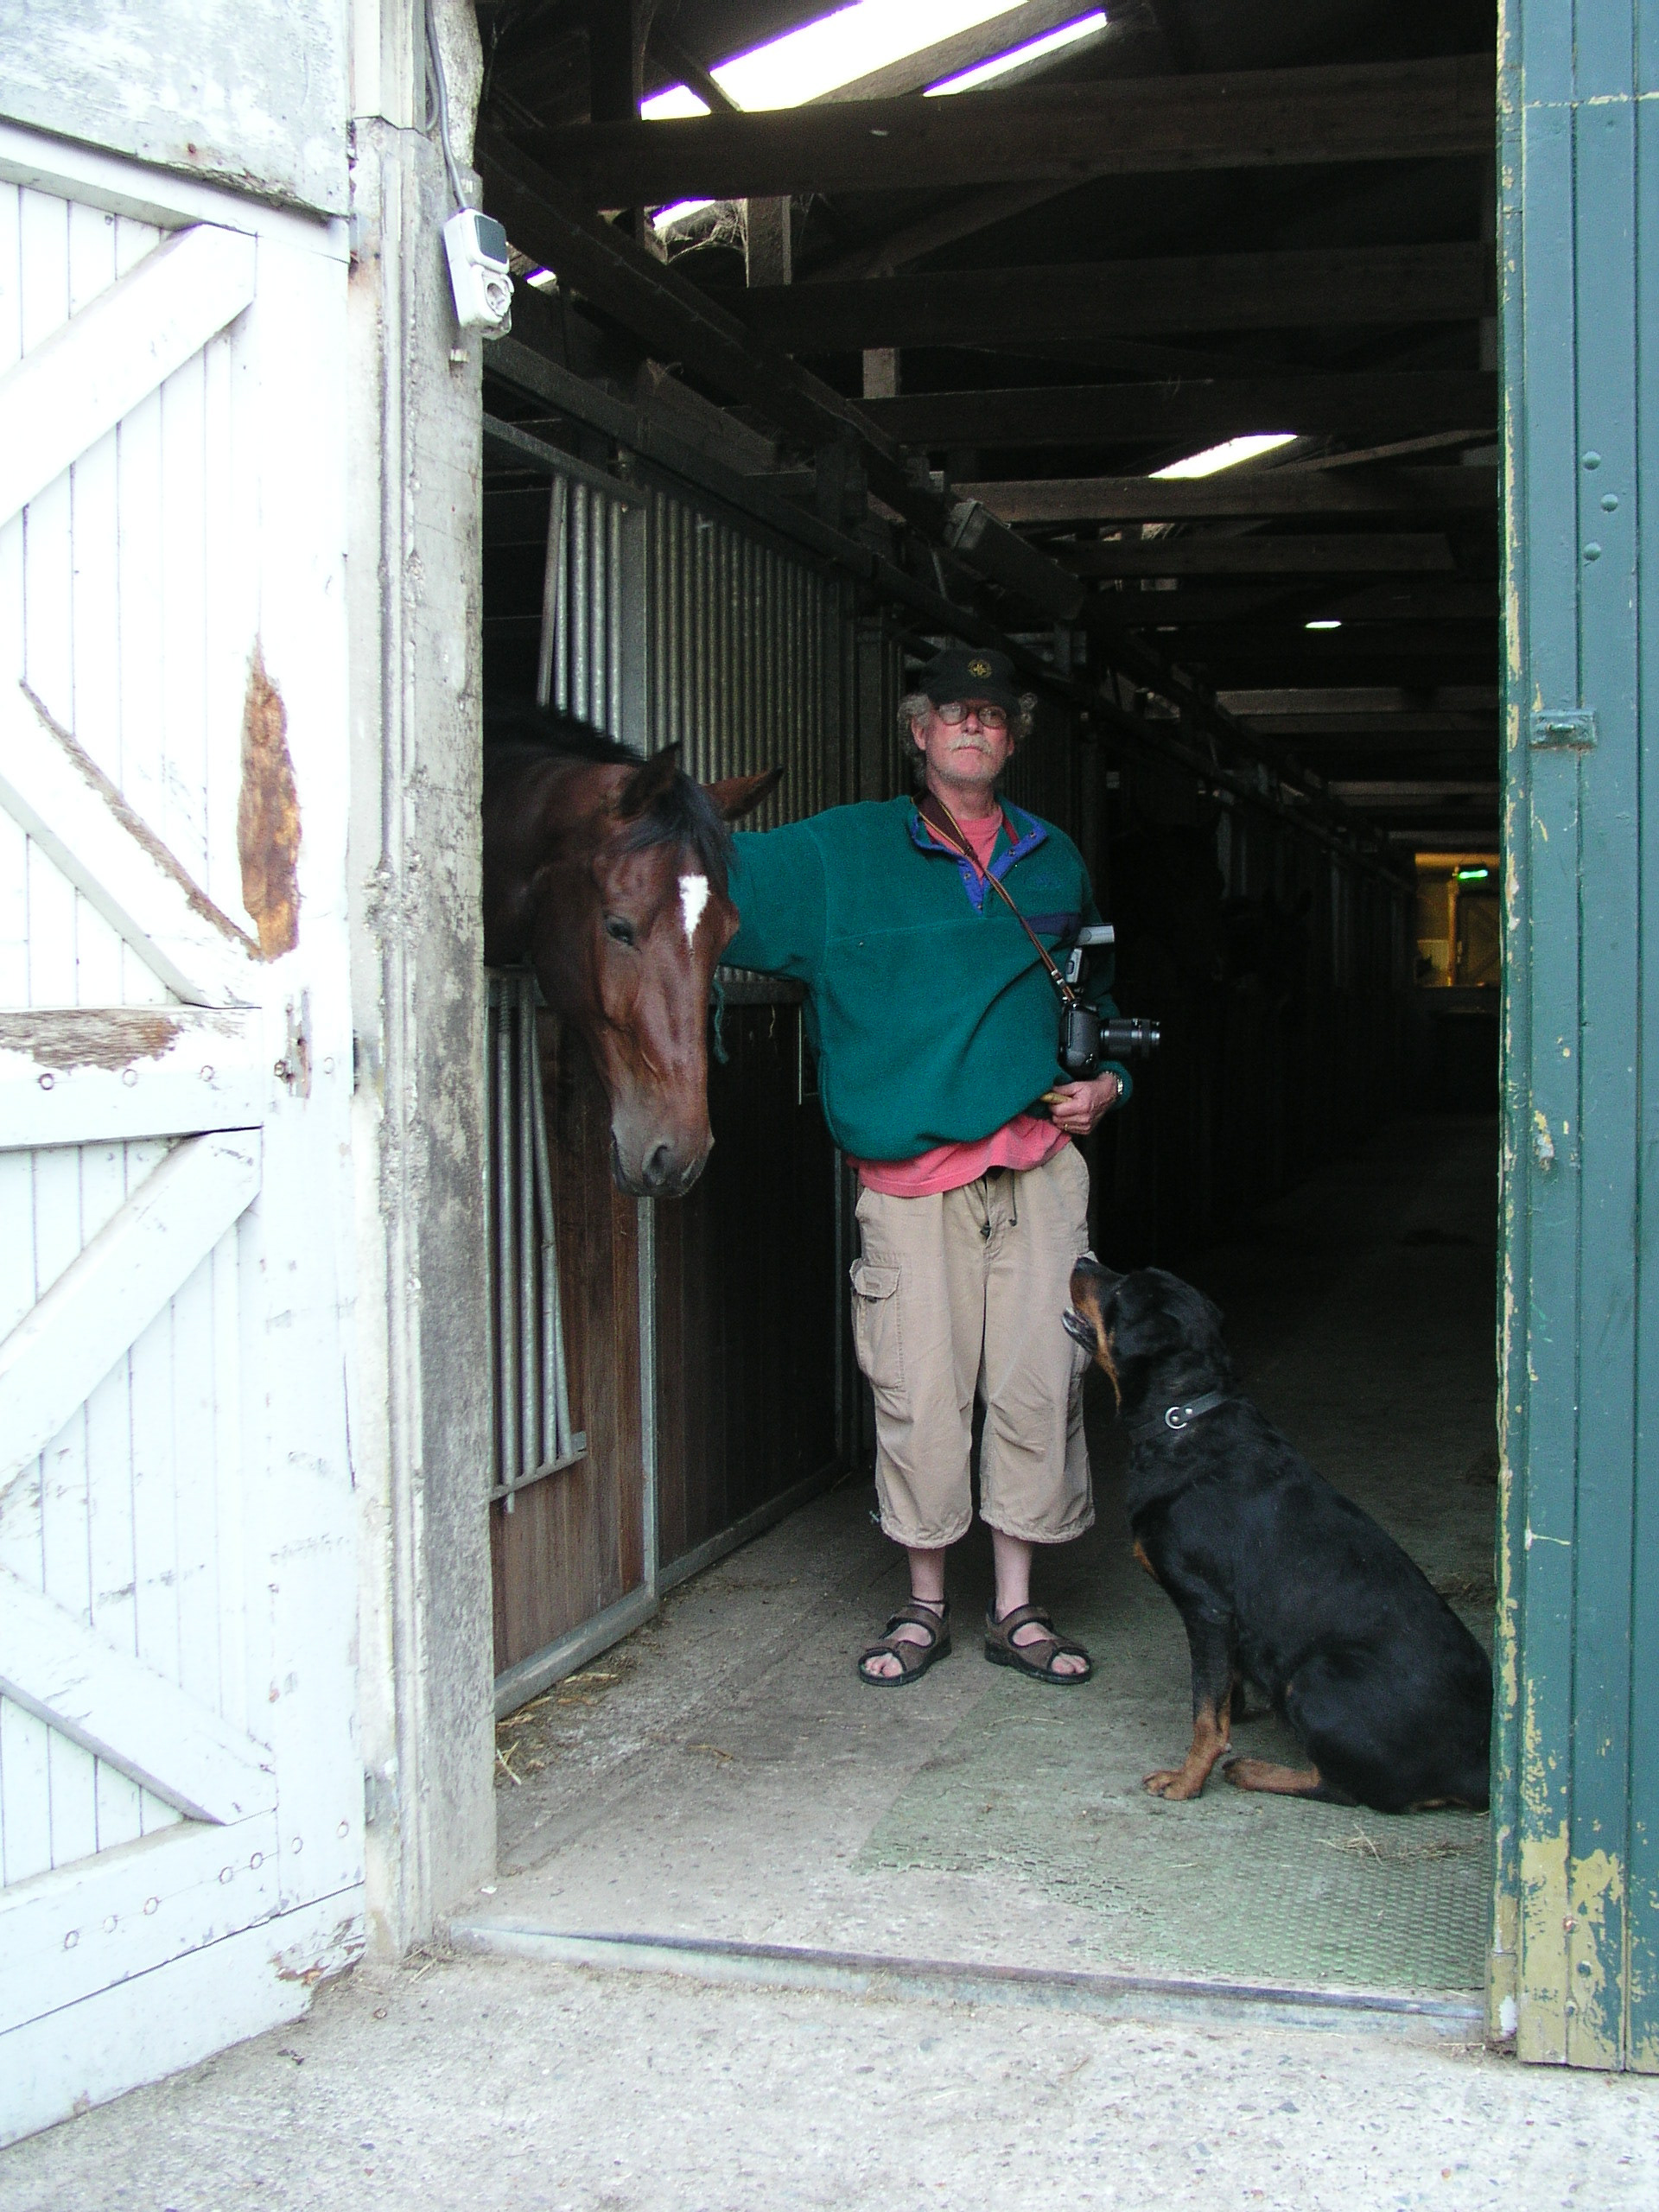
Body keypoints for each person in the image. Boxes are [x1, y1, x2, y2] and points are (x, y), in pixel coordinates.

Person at [724, 646, 1130, 1686]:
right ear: (918, 731)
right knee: (919, 1394)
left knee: (1039, 1385)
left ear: (1012, 737)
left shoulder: (1054, 857)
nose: (974, 727)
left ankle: (1018, 1609)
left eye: (993, 715)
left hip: (1039, 1167)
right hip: (911, 1181)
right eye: (955, 712)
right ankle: (923, 1607)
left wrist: (1110, 1082)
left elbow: (1096, 999)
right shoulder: (840, 851)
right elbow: (703, 882)